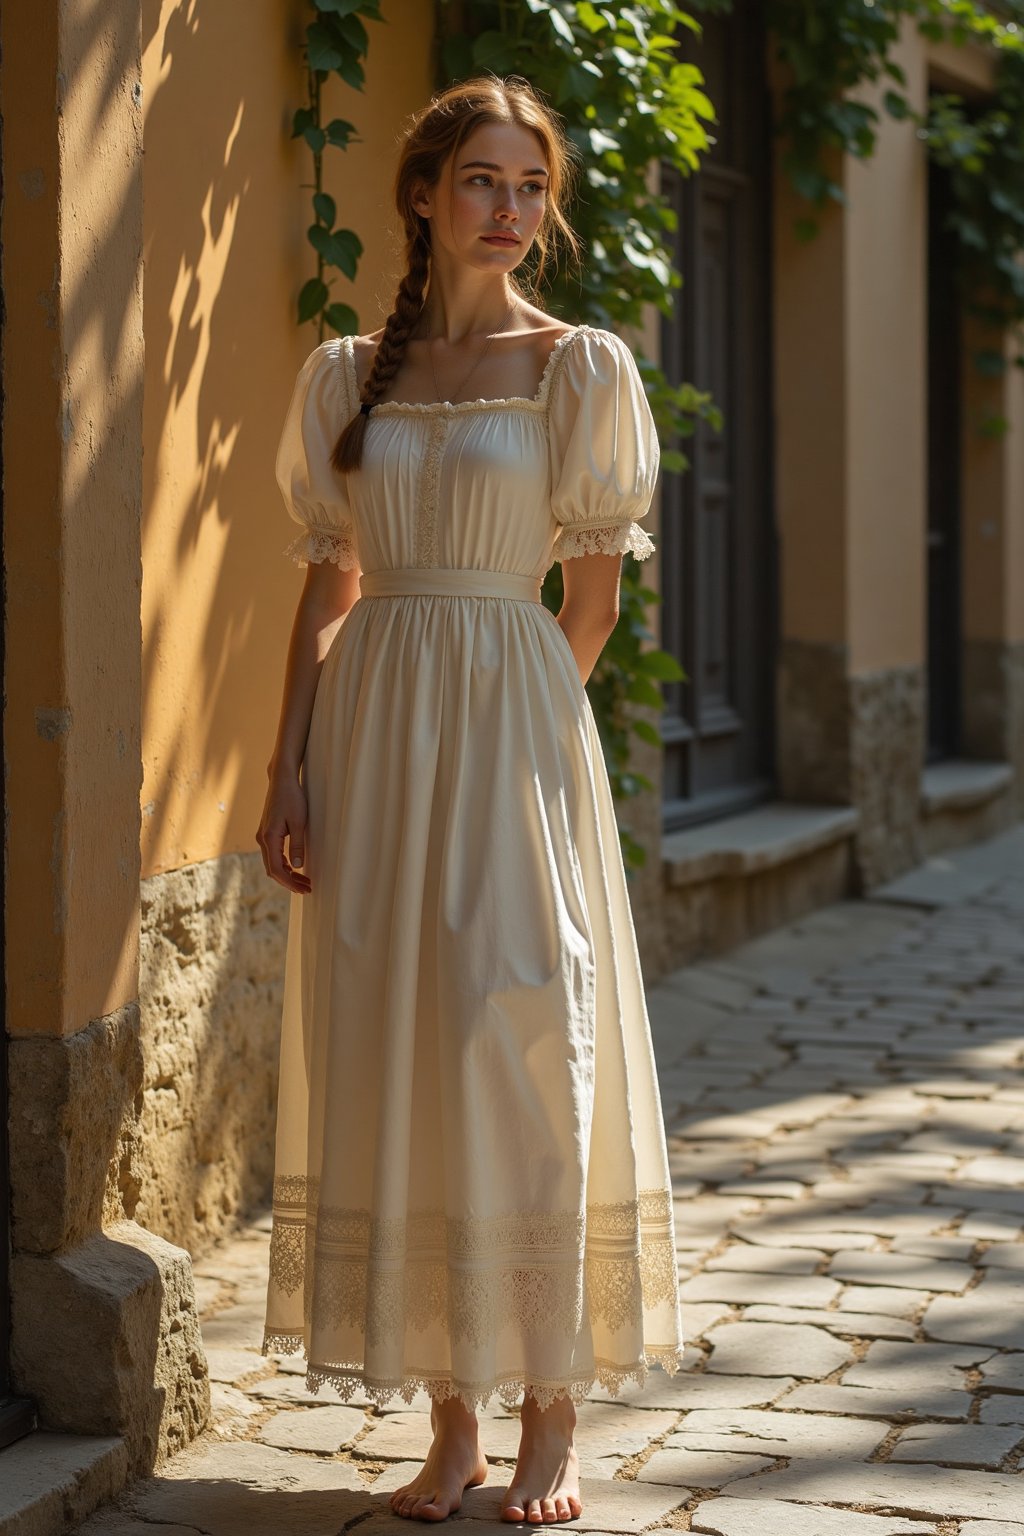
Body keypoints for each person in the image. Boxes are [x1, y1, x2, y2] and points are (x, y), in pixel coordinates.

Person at [256, 73, 685, 1525]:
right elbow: (327, 588)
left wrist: (517, 739)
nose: (512, 211)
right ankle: (452, 1424)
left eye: (529, 187)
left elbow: (591, 598)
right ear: (427, 196)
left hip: (510, 738)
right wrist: (290, 765)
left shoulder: (578, 370)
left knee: (524, 1045)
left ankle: (553, 1407)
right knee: (404, 1053)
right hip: (374, 745)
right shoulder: (347, 375)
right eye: (485, 183)